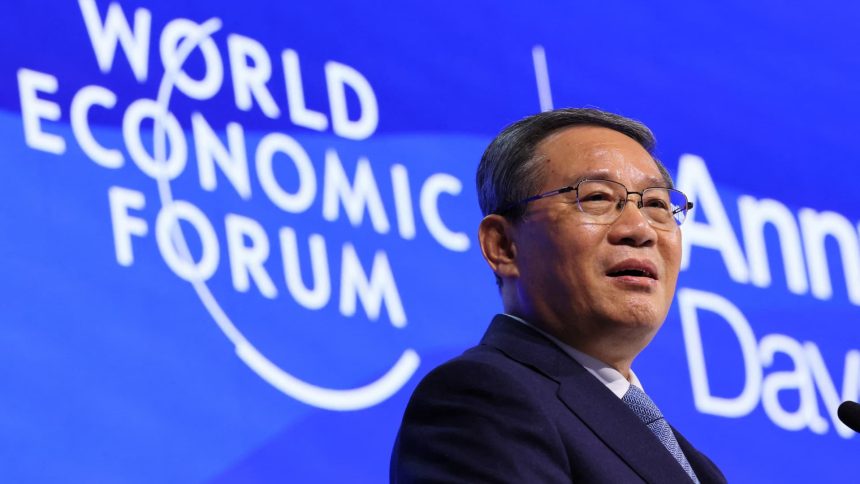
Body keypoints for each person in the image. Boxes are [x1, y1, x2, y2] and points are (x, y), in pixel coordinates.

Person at [390, 108, 727, 483]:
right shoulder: (479, 398)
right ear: (503, 246)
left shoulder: (700, 468)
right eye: (597, 197)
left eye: (657, 205)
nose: (640, 229)